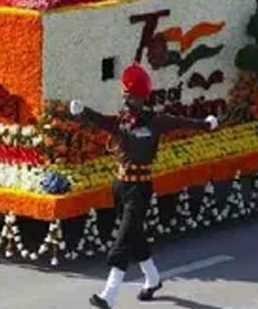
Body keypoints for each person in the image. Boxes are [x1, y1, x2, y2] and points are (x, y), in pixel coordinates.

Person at [69, 64, 219, 308]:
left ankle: (109, 295)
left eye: (136, 97)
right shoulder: (121, 121)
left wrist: (205, 124)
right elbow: (100, 121)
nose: (133, 101)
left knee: (124, 238)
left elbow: (181, 122)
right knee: (135, 235)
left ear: (144, 97)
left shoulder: (155, 121)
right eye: (129, 96)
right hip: (120, 185)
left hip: (140, 188)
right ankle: (153, 279)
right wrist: (82, 111)